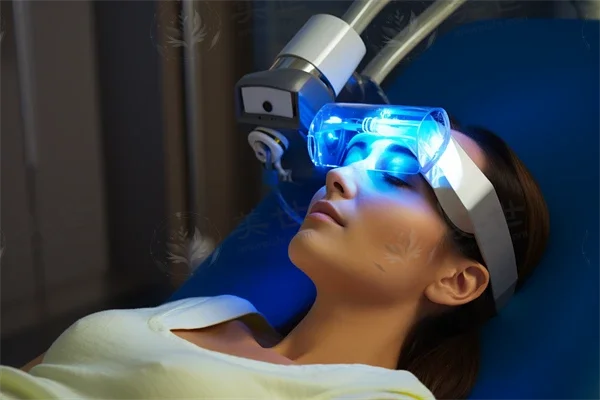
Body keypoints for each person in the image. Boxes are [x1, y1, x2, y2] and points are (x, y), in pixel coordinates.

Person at [0, 120, 549, 400]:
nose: (339, 175)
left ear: (457, 281)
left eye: (398, 179)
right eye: (354, 156)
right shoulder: (215, 310)